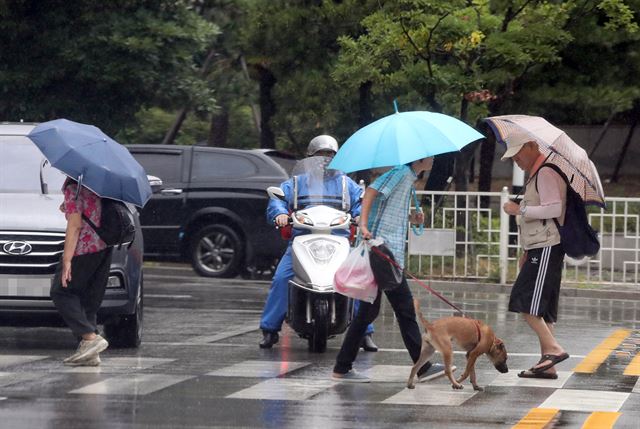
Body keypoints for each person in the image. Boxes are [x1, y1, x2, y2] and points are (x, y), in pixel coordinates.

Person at [331, 157, 449, 382]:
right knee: (404, 309)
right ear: (421, 158)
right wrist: (363, 225)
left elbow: (387, 210)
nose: (434, 159)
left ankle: (342, 367)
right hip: (381, 250)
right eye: (431, 156)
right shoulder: (401, 174)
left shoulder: (408, 177)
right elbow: (370, 192)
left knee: (368, 312)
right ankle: (421, 367)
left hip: (386, 250)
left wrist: (412, 218)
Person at [259, 135, 377, 350]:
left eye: (330, 155)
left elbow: (360, 203)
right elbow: (277, 199)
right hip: (302, 238)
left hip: (338, 239)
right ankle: (270, 329)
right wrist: (279, 213)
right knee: (281, 278)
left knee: (357, 280)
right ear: (310, 157)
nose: (325, 160)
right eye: (321, 155)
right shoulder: (296, 183)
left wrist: (361, 216)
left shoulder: (345, 184)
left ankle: (365, 332)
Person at [501, 132, 570, 379]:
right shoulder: (538, 173)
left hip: (547, 245)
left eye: (518, 154)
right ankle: (547, 364)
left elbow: (554, 208)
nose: (516, 161)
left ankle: (553, 350)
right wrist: (526, 250)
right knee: (543, 307)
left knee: (525, 300)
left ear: (531, 146)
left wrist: (519, 209)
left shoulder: (546, 172)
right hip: (540, 245)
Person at [50, 177, 112, 366]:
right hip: (103, 247)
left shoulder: (74, 188)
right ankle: (90, 355)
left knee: (61, 291)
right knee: (88, 301)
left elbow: (76, 225)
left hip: (83, 248)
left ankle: (90, 338)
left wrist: (67, 259)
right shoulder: (101, 185)